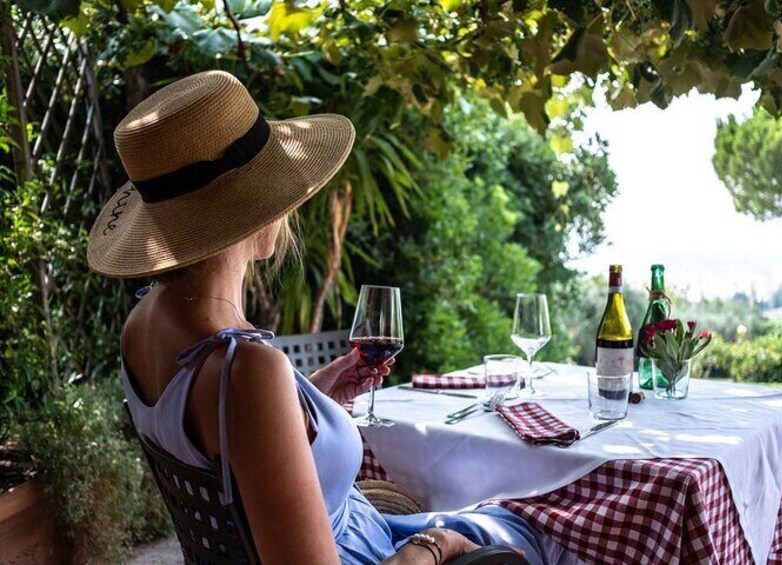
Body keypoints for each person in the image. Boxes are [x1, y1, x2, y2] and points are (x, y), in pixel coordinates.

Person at [87, 71, 572, 565]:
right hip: (375, 553)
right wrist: (434, 547)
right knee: (548, 530)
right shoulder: (245, 371)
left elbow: (225, 438)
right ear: (255, 208)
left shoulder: (145, 322)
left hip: (362, 528)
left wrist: (313, 399)